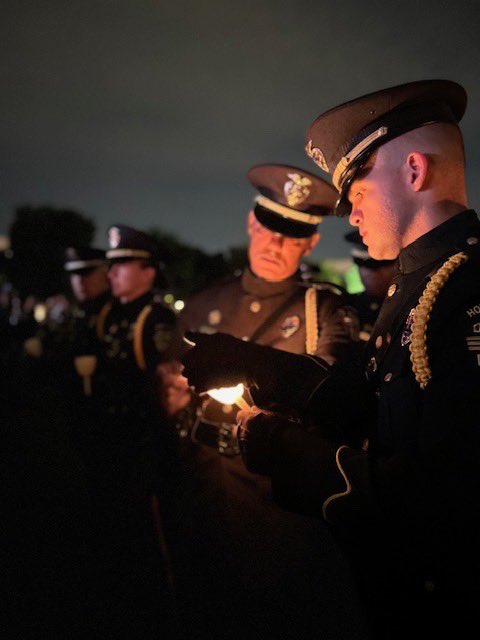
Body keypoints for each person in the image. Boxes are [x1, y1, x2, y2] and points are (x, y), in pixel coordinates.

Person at [181, 79, 480, 639]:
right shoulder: (419, 284)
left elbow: (446, 500)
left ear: (414, 171)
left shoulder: (467, 291)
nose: (349, 213)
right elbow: (374, 403)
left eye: (357, 190)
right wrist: (258, 366)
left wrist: (284, 448)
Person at [164, 164, 367, 640]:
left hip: (280, 509)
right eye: (271, 228)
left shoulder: (325, 310)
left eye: (293, 235)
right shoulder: (202, 305)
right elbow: (169, 388)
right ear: (252, 224)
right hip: (204, 492)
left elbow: (331, 390)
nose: (277, 245)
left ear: (311, 243)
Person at [84, 224, 182, 637]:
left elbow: (164, 391)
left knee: (148, 540)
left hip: (143, 449)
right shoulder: (109, 313)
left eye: (123, 267)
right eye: (112, 267)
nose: (112, 275)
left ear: (149, 272)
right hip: (108, 443)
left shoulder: (156, 318)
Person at [344, 229, 397, 341]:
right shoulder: (347, 306)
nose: (370, 273)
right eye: (362, 264)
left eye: (379, 264)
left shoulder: (411, 304)